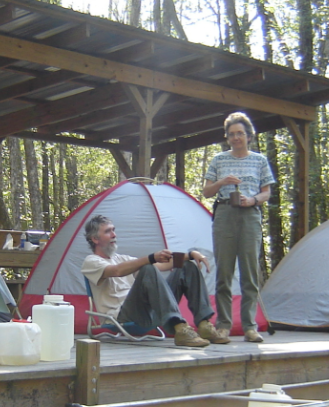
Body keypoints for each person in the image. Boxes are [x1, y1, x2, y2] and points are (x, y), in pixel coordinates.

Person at [81, 215, 230, 348]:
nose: (114, 235)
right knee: (147, 268)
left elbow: (161, 265)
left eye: (114, 230)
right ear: (95, 239)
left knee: (186, 267)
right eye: (108, 231)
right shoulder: (91, 261)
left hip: (148, 310)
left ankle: (204, 324)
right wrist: (151, 258)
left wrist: (189, 255)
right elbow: (116, 271)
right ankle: (180, 328)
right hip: (122, 315)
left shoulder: (122, 258)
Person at [202, 112, 276, 343]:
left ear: (248, 136)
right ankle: (223, 325)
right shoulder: (219, 160)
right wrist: (222, 182)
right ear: (227, 137)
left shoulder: (259, 160)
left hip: (250, 215)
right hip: (224, 214)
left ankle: (249, 327)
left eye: (240, 133)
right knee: (224, 271)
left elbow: (266, 192)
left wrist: (252, 200)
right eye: (232, 134)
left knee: (249, 272)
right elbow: (206, 192)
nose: (236, 138)